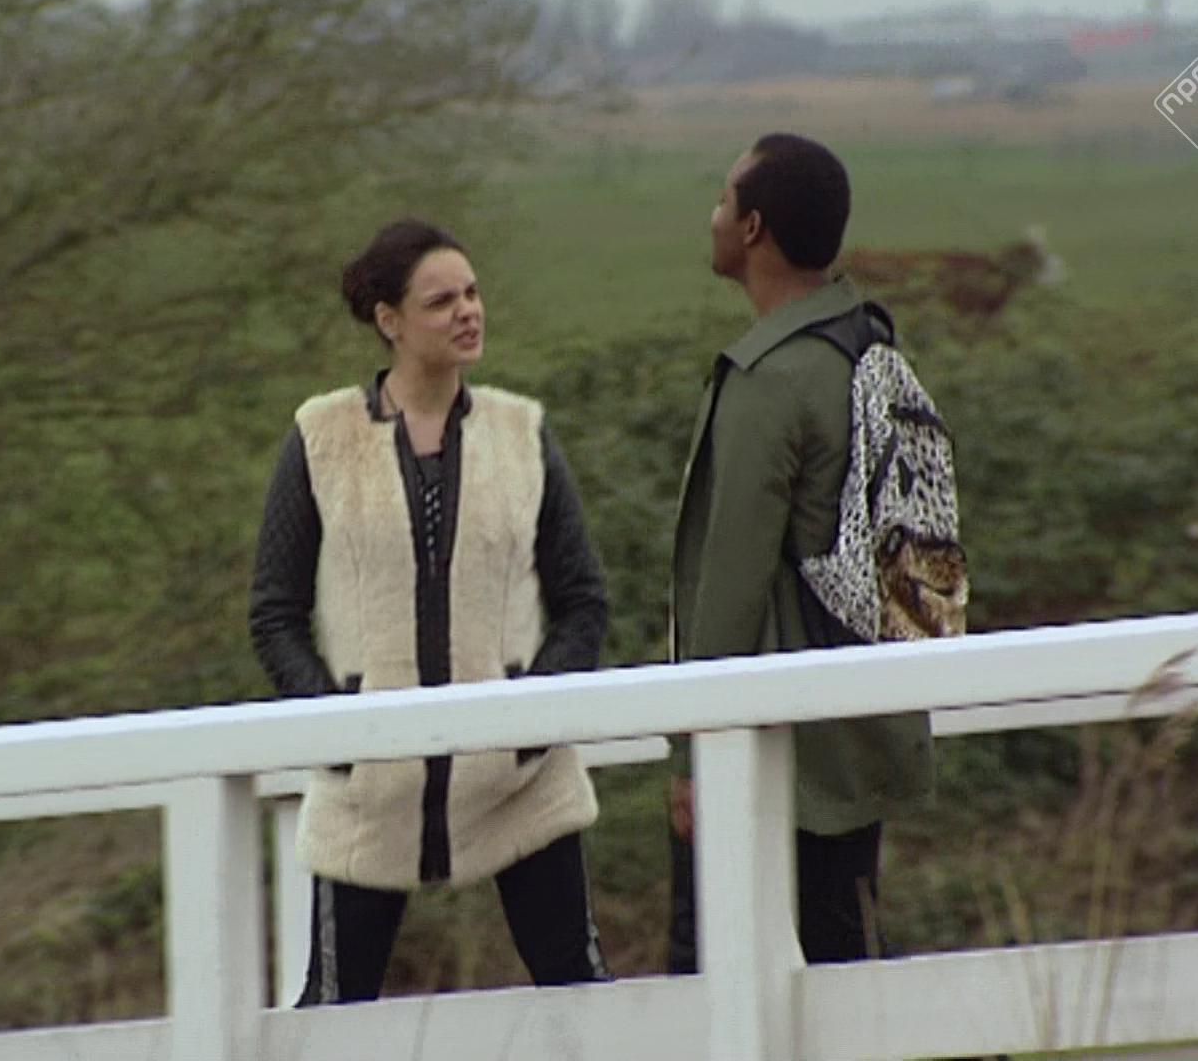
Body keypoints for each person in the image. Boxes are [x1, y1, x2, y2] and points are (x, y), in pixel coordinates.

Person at [249, 218, 612, 1005]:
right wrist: (340, 732)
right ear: (389, 320)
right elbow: (274, 612)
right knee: (334, 1016)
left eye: (472, 293)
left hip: (521, 786)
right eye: (442, 300)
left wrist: (529, 722)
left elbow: (583, 599)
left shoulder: (522, 434)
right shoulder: (321, 438)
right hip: (368, 796)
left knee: (584, 1001)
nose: (467, 311)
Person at [666, 134, 936, 972]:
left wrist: (691, 754)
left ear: (752, 229)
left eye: (723, 200)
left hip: (779, 757)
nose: (713, 215)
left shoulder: (768, 382)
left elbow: (728, 586)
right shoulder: (868, 344)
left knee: (714, 972)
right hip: (862, 724)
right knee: (848, 959)